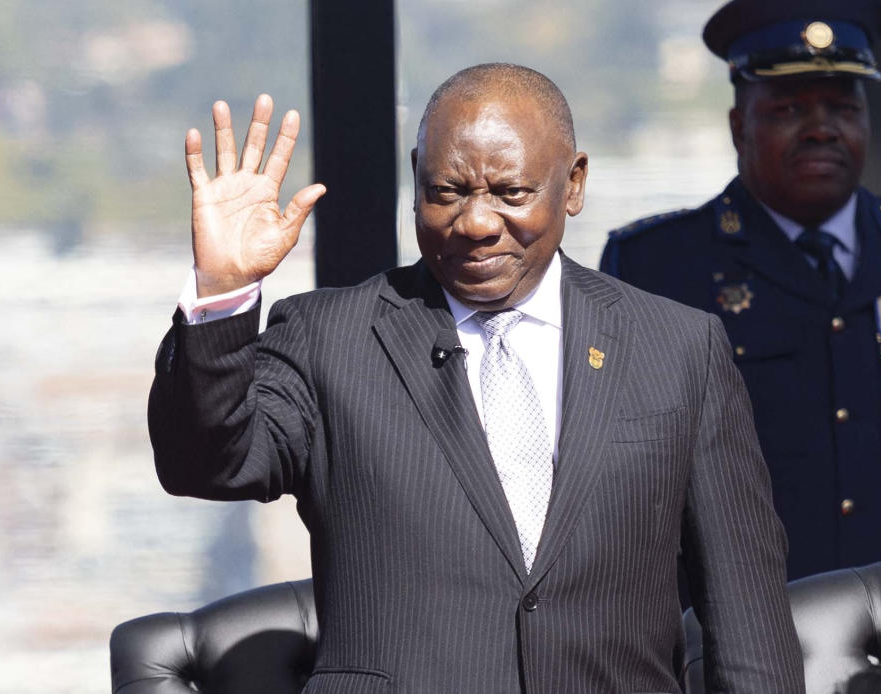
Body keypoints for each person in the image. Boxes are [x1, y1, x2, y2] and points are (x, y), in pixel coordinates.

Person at [149, 63, 803, 692]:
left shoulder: (678, 348)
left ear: (572, 185)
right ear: (416, 180)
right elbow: (205, 461)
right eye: (447, 193)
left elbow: (745, 609)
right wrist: (223, 290)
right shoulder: (331, 340)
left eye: (511, 193)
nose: (478, 224)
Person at [601, 0, 881, 581]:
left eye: (843, 108)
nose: (822, 129)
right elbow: (625, 490)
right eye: (790, 108)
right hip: (745, 640)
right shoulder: (659, 268)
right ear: (738, 125)